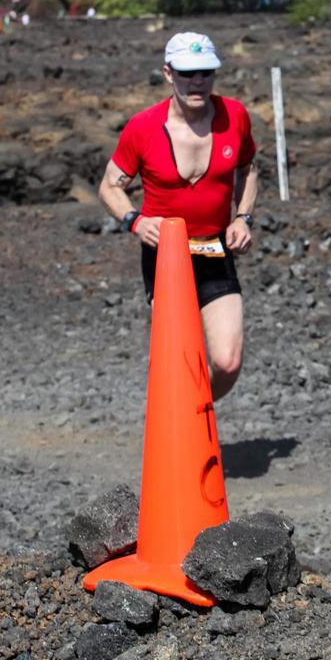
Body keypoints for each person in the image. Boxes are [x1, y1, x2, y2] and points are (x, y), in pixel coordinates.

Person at [98, 32, 257, 401]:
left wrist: (242, 218)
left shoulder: (235, 116)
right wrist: (134, 221)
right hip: (166, 255)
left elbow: (248, 167)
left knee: (228, 362)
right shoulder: (143, 126)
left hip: (214, 248)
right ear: (168, 74)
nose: (197, 81)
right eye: (188, 73)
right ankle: (179, 434)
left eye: (206, 72)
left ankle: (194, 416)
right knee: (179, 359)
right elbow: (109, 186)